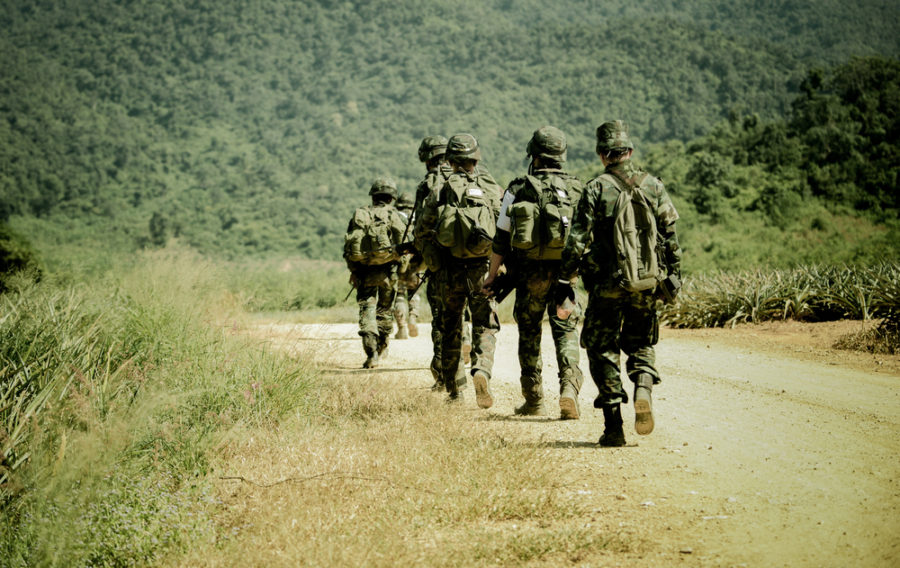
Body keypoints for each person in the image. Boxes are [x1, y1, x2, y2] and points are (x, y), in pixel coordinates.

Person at [558, 120, 682, 446]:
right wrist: (674, 276)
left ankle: (613, 426)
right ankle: (643, 386)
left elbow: (577, 241)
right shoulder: (653, 185)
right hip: (647, 283)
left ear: (602, 155)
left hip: (606, 286)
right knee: (641, 342)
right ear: (629, 151)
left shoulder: (596, 189)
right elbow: (670, 235)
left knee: (602, 348)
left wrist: (564, 277)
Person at [482, 126, 585, 419]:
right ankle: (569, 389)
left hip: (528, 276)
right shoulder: (578, 189)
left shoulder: (517, 188)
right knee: (566, 331)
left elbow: (500, 239)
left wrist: (492, 276)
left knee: (529, 333)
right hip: (566, 276)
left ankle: (534, 399)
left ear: (534, 156)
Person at [414, 133, 503, 404]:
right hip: (481, 269)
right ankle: (482, 370)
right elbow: (503, 226)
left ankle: (456, 391)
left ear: (450, 160)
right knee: (485, 324)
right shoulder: (489, 185)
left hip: (449, 271)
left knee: (450, 325)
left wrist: (434, 263)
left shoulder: (441, 187)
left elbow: (422, 232)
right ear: (475, 158)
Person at [412, 136, 468, 391]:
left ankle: (446, 377)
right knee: (466, 314)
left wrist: (420, 259)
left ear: (426, 158)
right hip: (474, 259)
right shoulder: (469, 174)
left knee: (443, 320)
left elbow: (420, 229)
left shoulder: (428, 184)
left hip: (442, 264)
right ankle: (473, 357)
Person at [343, 176, 407, 369]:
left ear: (373, 196)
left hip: (364, 272)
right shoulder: (394, 215)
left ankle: (371, 354)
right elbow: (405, 247)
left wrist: (353, 271)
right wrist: (402, 269)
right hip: (389, 273)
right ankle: (381, 347)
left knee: (367, 310)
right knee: (384, 311)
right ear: (391, 198)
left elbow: (349, 248)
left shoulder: (361, 214)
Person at [393, 192, 421, 339]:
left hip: (398, 261)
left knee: (399, 294)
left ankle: (402, 327)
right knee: (414, 292)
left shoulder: (395, 216)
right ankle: (413, 318)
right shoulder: (419, 216)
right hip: (416, 261)